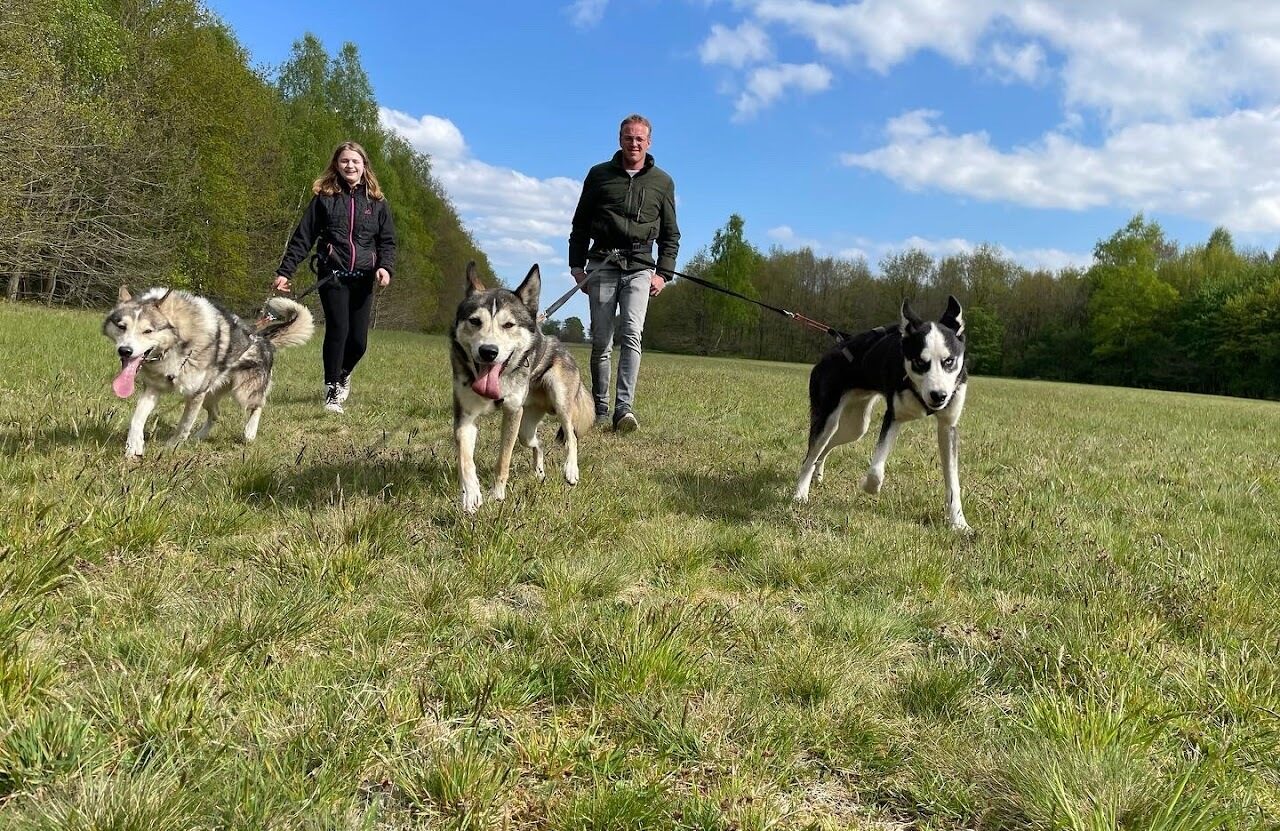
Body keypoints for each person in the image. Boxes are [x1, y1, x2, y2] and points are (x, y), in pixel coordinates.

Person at [568, 113, 680, 434]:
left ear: (649, 142)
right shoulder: (599, 175)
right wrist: (577, 267)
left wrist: (664, 274)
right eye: (629, 137)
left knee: (632, 334)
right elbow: (580, 224)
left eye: (640, 139)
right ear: (620, 140)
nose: (634, 143)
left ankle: (623, 410)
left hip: (640, 267)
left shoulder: (662, 182)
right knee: (602, 339)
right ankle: (600, 409)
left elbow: (671, 234)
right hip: (602, 264)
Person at [272, 141, 396, 414]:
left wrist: (385, 267)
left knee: (359, 342)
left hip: (364, 278)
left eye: (355, 161)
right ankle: (331, 391)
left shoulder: (377, 202)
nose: (349, 166)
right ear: (336, 165)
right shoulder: (324, 199)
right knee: (338, 330)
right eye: (344, 161)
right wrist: (285, 271)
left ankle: (343, 374)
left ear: (364, 166)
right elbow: (303, 237)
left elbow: (387, 241)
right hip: (334, 275)